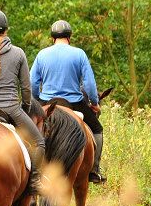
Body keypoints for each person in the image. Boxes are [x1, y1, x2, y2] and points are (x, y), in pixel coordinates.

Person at [0, 9, 45, 195]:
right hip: (10, 109)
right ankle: (34, 182)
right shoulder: (18, 54)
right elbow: (26, 89)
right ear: (5, 31)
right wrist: (25, 108)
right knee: (39, 143)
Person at [30, 20, 107, 183]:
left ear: (53, 39)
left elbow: (32, 84)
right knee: (97, 129)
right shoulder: (79, 54)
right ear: (69, 38)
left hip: (47, 102)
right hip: (74, 103)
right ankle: (94, 170)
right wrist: (94, 102)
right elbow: (90, 84)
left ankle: (29, 169)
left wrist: (37, 102)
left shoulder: (41, 55)